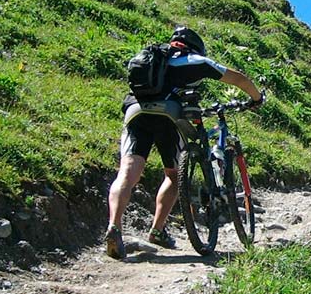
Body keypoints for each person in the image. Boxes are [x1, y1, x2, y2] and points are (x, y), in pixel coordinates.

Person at [104, 26, 263, 260]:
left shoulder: (154, 56)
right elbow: (237, 78)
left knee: (127, 174)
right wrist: (256, 98)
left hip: (135, 111)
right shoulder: (195, 60)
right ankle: (157, 230)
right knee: (174, 175)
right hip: (168, 115)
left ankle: (114, 226)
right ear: (195, 45)